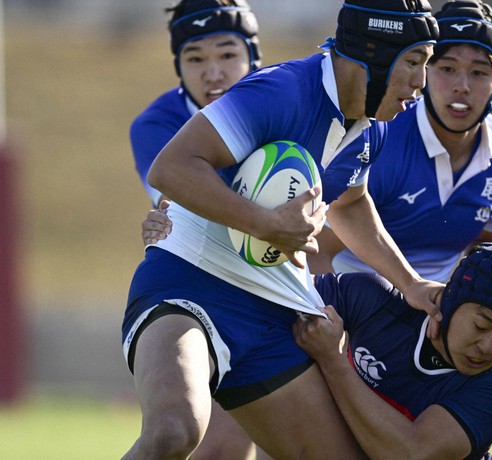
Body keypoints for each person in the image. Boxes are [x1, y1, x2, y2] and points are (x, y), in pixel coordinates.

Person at [121, 0, 440, 458]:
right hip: (189, 284)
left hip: (275, 308)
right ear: (373, 51)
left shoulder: (374, 125)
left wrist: (409, 282)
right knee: (174, 432)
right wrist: (269, 225)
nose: (420, 82)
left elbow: (349, 203)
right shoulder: (283, 91)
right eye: (414, 62)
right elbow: (170, 169)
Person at [130, 1, 268, 458]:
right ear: (178, 67)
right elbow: (185, 202)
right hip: (204, 288)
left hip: (287, 289)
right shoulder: (157, 124)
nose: (213, 72)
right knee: (201, 444)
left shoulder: (283, 102)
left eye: (227, 54)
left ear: (253, 56)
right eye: (195, 58)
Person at [309, 0, 492, 284]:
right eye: (447, 69)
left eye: (479, 72)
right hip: (353, 308)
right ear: (424, 73)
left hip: (432, 312)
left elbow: (489, 249)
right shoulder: (380, 138)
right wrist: (330, 320)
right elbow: (318, 251)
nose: (462, 86)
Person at [294, 242, 492, 459]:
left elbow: (409, 454)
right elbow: (283, 298)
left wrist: (333, 360)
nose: (488, 346)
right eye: (481, 326)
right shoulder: (373, 300)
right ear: (449, 303)